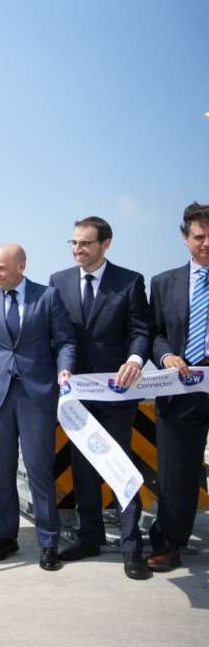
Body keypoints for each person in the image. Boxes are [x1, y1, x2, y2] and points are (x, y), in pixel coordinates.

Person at [49, 216, 152, 580]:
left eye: (86, 244)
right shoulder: (58, 282)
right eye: (74, 243)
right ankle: (90, 537)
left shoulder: (129, 281)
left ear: (105, 244)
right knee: (83, 470)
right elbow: (57, 334)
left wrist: (135, 359)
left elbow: (141, 330)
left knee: (121, 469)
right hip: (76, 395)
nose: (78, 249)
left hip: (118, 394)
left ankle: (130, 548)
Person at [0, 244, 75, 571]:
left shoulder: (48, 297)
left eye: (1, 268)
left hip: (37, 395)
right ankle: (6, 538)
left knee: (39, 469)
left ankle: (48, 543)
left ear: (21, 266)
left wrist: (65, 367)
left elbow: (65, 341)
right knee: (2, 472)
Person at [146, 202, 209, 572]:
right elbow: (153, 334)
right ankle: (169, 543)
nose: (206, 244)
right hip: (181, 385)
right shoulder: (163, 283)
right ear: (185, 238)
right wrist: (167, 355)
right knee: (175, 473)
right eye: (199, 237)